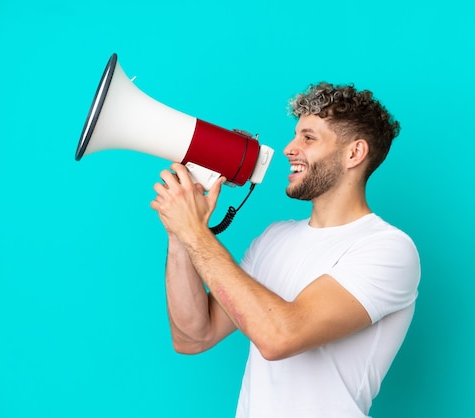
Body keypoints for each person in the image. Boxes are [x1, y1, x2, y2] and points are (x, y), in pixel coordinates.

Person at [150, 82, 421, 418]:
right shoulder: (273, 239)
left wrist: (195, 233)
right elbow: (193, 337)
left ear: (354, 153)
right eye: (295, 135)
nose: (289, 148)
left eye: (308, 138)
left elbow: (279, 337)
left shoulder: (388, 249)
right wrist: (180, 233)